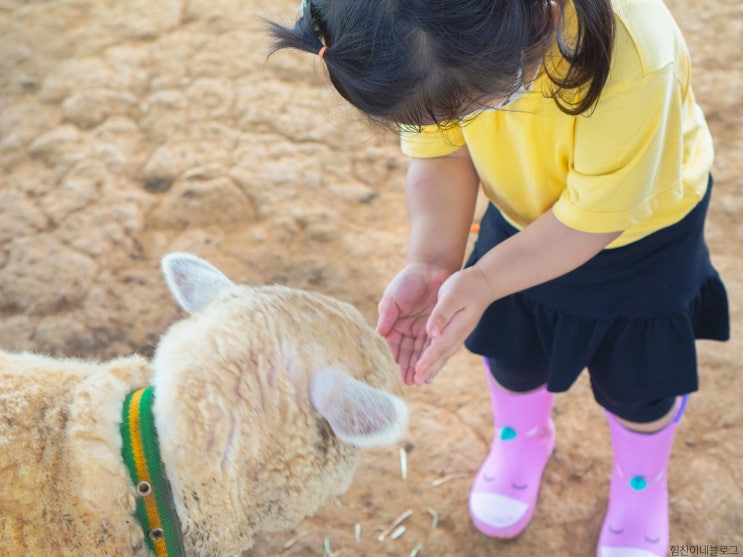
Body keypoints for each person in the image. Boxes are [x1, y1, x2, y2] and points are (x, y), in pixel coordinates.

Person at [267, 0, 730, 555]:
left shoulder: (633, 50)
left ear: (538, 18)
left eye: (486, 102)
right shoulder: (415, 37)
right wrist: (434, 261)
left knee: (639, 383)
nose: (466, 121)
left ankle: (641, 482)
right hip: (517, 214)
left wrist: (485, 280)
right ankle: (521, 438)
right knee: (513, 351)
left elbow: (592, 222)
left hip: (642, 233)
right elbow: (442, 156)